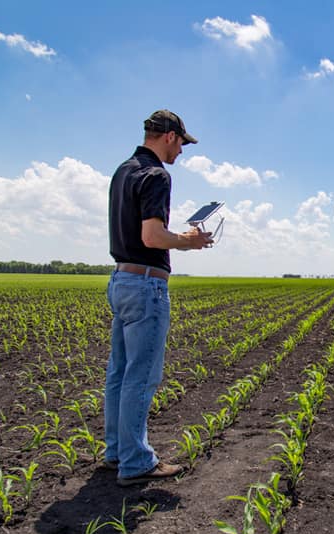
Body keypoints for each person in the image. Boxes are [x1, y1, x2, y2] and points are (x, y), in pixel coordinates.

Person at [105, 109, 212, 487]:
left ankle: (117, 451)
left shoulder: (123, 171)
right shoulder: (156, 175)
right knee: (141, 375)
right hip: (146, 284)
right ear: (169, 136)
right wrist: (190, 241)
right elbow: (152, 237)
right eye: (182, 143)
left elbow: (140, 232)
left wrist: (178, 237)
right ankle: (136, 461)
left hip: (120, 280)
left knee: (119, 372)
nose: (181, 152)